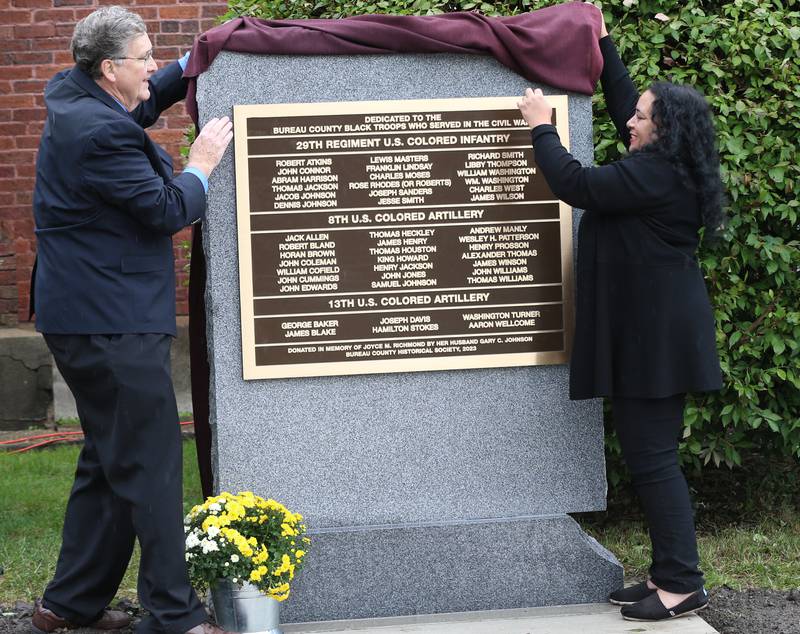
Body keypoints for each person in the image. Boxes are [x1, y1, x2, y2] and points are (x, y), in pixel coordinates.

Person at [30, 6, 234, 634]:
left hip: (86, 314)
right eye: (145, 57)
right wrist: (201, 162)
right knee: (149, 460)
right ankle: (175, 616)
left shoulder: (75, 94)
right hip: (111, 321)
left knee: (110, 457)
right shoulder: (98, 133)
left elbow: (135, 109)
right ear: (109, 66)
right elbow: (166, 209)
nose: (153, 64)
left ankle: (66, 606)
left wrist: (189, 63)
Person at [518, 9, 724, 623]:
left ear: (660, 133)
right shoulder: (663, 164)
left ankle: (682, 585)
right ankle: (671, 576)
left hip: (653, 340)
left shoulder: (654, 175)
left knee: (654, 457)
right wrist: (601, 40)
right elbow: (620, 105)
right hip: (654, 333)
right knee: (650, 454)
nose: (628, 121)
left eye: (641, 117)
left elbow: (576, 184)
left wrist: (542, 127)